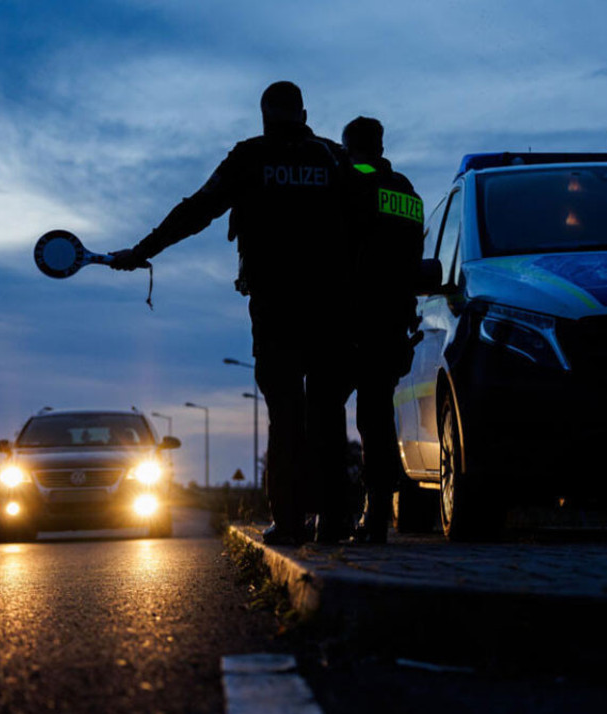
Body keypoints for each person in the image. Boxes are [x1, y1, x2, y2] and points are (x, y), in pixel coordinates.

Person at [109, 81, 353, 546]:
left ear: (264, 117)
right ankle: (335, 521)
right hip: (332, 305)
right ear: (303, 115)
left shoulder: (249, 157)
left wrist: (142, 250)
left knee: (285, 412)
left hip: (276, 306)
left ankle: (290, 521)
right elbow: (365, 225)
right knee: (327, 409)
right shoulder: (335, 158)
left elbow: (195, 211)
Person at [340, 116, 424, 544]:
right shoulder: (406, 192)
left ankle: (332, 512)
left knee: (326, 411)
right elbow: (413, 256)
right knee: (377, 418)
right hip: (391, 319)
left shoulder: (345, 186)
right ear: (381, 145)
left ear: (349, 147)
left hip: (348, 317)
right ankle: (376, 513)